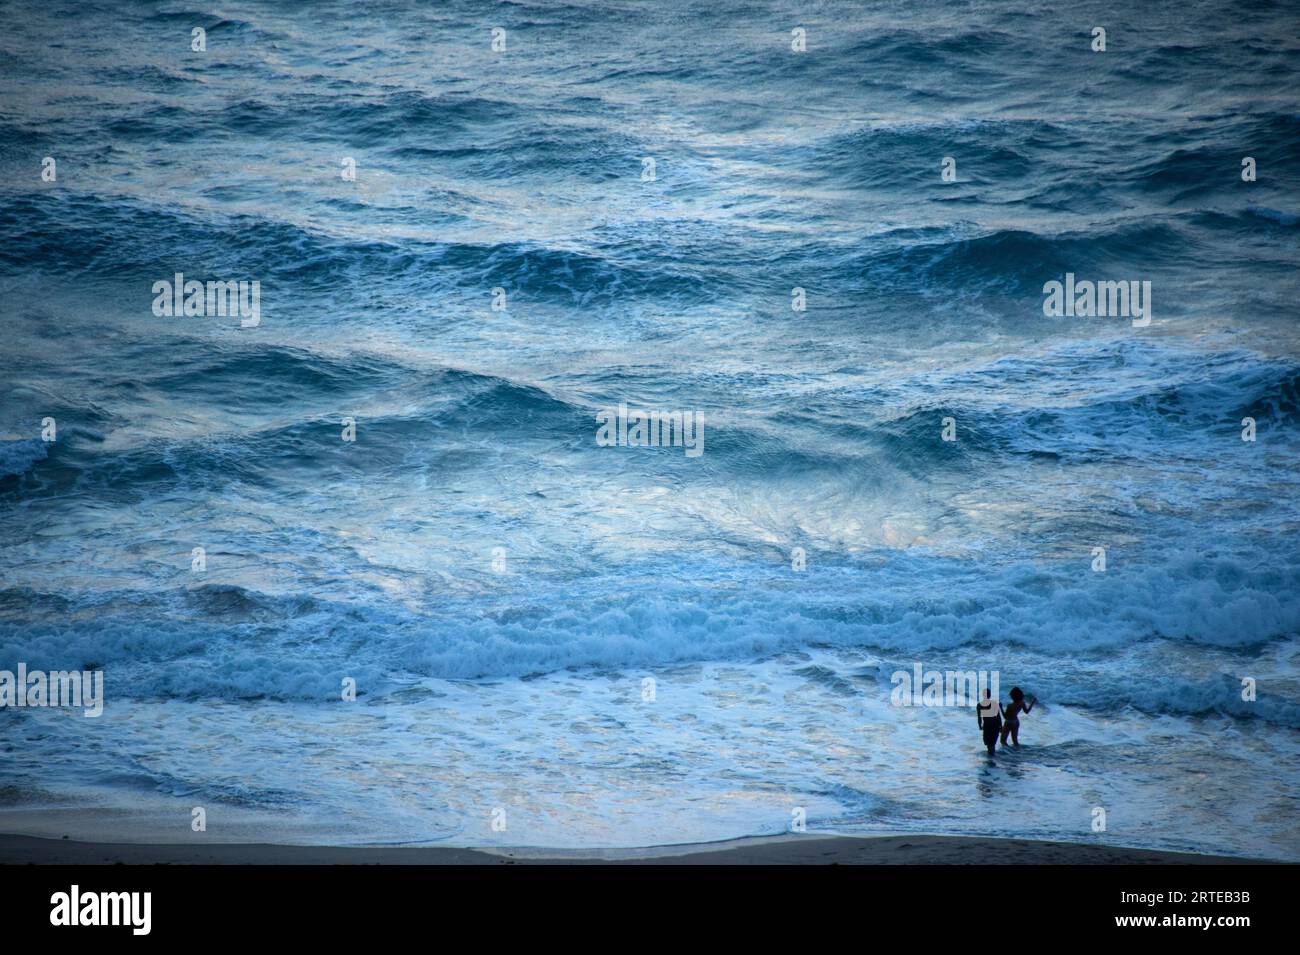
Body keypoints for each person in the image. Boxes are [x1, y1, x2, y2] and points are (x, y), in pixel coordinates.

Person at [976, 688, 1001, 755]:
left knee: (989, 744)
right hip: (995, 725)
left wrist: (980, 725)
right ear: (989, 695)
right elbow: (998, 717)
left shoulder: (979, 705)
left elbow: (979, 717)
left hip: (987, 726)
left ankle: (991, 759)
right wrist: (1000, 726)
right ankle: (992, 758)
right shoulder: (994, 704)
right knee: (992, 744)